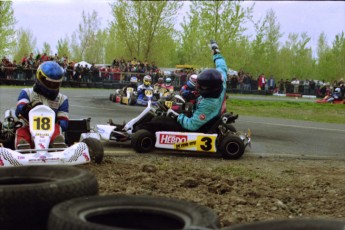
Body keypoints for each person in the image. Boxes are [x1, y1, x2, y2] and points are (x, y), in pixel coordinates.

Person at [137, 40, 228, 132]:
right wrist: (215, 50)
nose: (199, 87)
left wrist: (175, 115)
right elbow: (221, 65)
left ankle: (138, 130)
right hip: (196, 113)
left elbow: (192, 125)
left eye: (202, 86)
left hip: (196, 127)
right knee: (165, 111)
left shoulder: (209, 104)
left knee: (158, 121)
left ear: (211, 88)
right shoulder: (221, 79)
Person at [15, 61, 69, 149]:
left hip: (50, 131)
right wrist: (27, 109)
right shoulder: (27, 92)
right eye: (50, 83)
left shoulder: (62, 99)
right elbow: (19, 109)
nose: (52, 86)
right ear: (40, 77)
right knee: (22, 131)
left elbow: (64, 122)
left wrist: (51, 120)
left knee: (57, 129)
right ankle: (23, 146)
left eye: (55, 83)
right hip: (29, 127)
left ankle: (56, 144)